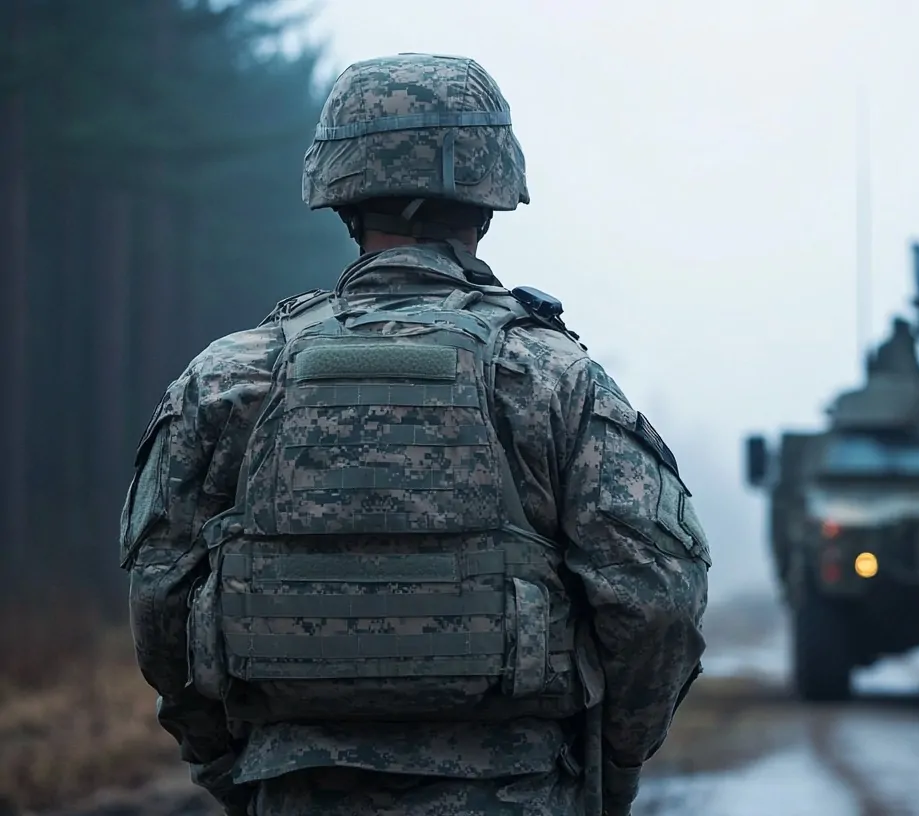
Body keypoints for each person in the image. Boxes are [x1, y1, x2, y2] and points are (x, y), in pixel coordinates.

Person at [118, 52, 711, 816]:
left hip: (294, 786)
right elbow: (654, 598)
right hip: (514, 791)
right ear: (490, 197)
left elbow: (159, 596)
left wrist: (232, 767)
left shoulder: (230, 378)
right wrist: (611, 768)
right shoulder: (552, 377)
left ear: (339, 198)